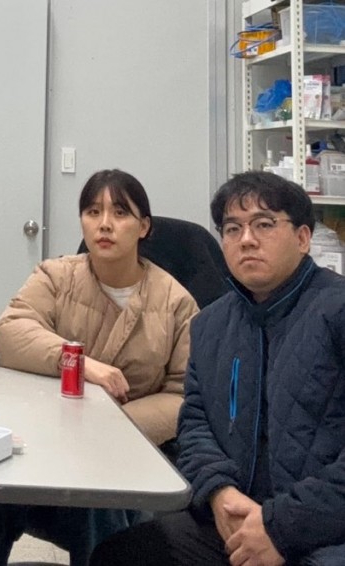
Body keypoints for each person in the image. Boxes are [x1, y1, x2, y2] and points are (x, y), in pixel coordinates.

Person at [90, 171, 345, 566]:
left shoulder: (335, 310)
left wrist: (279, 527)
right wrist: (219, 493)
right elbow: (194, 424)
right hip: (234, 518)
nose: (246, 239)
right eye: (232, 228)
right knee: (120, 555)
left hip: (327, 530)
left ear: (302, 237)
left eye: (264, 224)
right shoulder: (209, 325)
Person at [0, 169, 200, 565]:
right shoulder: (56, 276)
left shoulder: (176, 302)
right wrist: (80, 363)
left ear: (144, 227)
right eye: (93, 212)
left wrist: (108, 427)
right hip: (46, 441)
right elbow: (10, 331)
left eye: (120, 213)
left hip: (129, 453)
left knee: (98, 493)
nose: (104, 224)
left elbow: (184, 394)